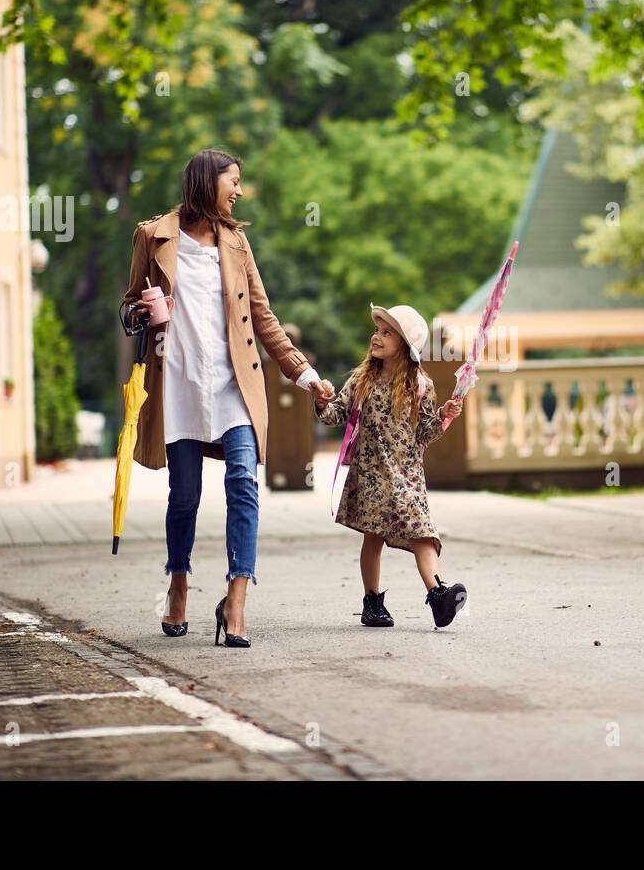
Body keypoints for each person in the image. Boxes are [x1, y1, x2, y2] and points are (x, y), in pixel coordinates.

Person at [119, 149, 336, 648]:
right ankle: (178, 582)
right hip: (178, 384)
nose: (238, 191)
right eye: (232, 181)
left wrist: (307, 376)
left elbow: (264, 319)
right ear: (206, 180)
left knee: (243, 481)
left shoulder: (236, 243)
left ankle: (236, 599)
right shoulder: (153, 236)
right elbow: (129, 306)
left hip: (234, 383)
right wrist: (144, 312)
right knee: (186, 496)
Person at [316, 303, 467, 629]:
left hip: (408, 476)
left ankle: (439, 596)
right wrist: (321, 400)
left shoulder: (421, 385)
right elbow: (334, 416)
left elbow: (425, 434)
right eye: (377, 330)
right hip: (371, 472)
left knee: (424, 535)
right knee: (373, 538)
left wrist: (445, 416)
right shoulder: (362, 380)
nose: (376, 337)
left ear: (405, 344)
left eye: (387, 333)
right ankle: (372, 602)